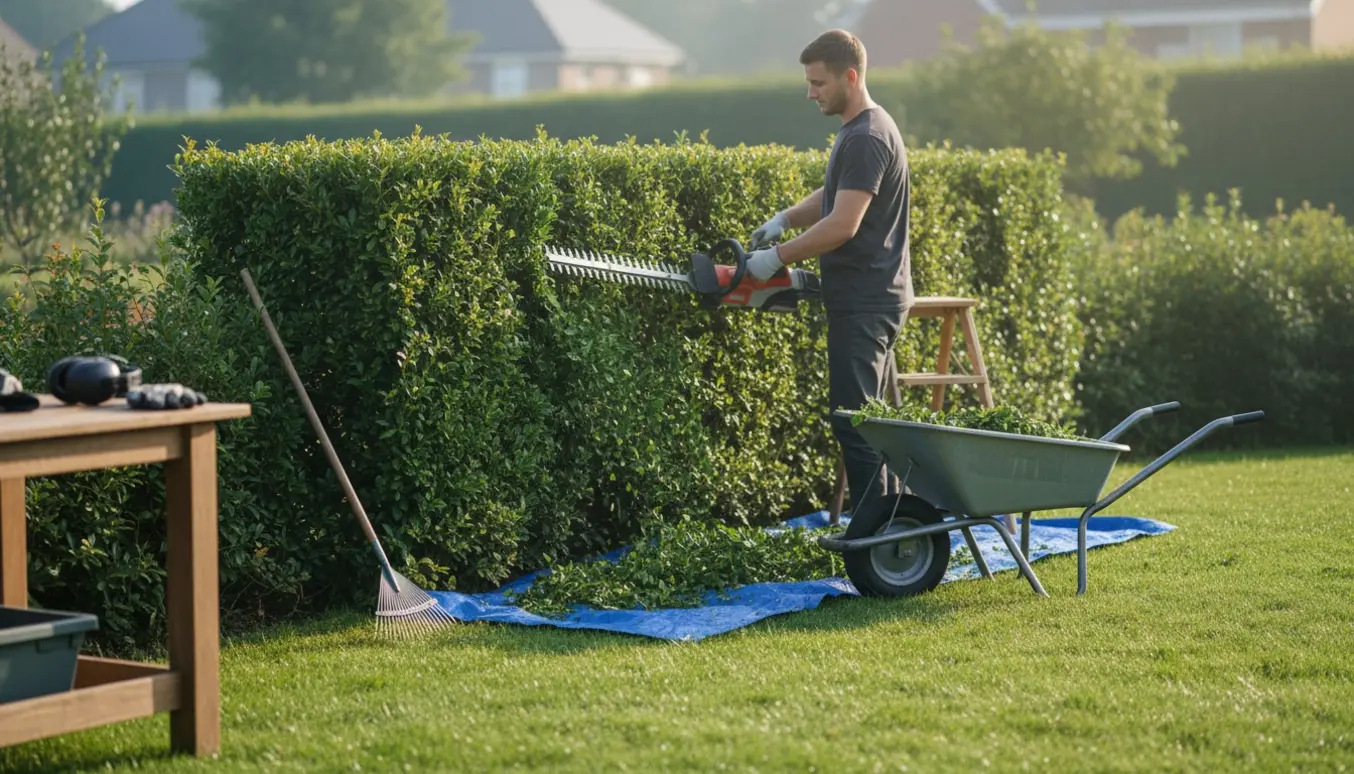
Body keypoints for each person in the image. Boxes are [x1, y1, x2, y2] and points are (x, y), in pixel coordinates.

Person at [745, 29, 913, 515]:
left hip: (867, 300)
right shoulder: (862, 130)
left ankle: (877, 537)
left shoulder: (866, 136)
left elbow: (843, 223)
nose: (810, 92)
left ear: (850, 77)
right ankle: (886, 529)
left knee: (855, 422)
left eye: (818, 83)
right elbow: (836, 196)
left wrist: (777, 258)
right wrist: (784, 220)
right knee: (863, 421)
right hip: (867, 296)